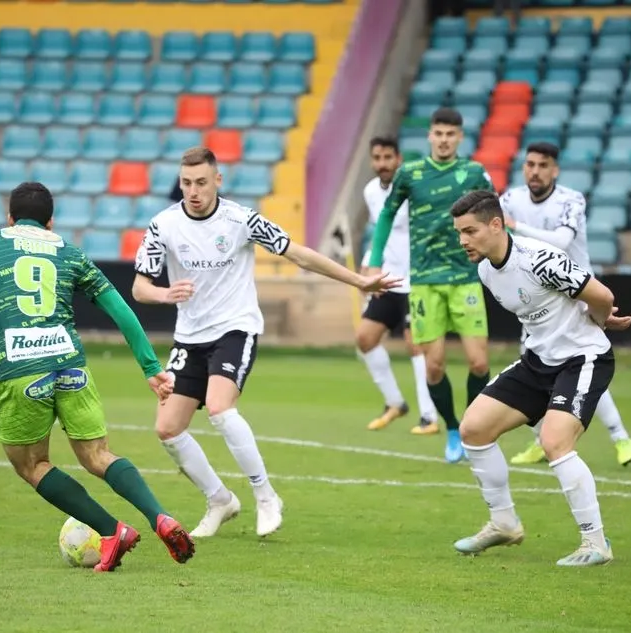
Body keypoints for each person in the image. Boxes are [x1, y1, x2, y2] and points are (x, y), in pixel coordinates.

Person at [0, 182, 194, 573]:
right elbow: (120, 308)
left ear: (10, 218)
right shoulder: (69, 251)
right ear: (50, 222)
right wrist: (150, 368)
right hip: (71, 365)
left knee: (31, 464)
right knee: (98, 456)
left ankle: (112, 530)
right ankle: (159, 515)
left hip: (21, 368)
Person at [132, 147, 401, 539]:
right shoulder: (163, 225)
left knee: (221, 410)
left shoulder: (241, 220)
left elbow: (301, 256)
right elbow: (140, 287)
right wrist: (165, 294)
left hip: (234, 328)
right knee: (167, 429)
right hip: (189, 337)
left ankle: (265, 496)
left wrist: (358, 281)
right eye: (187, 183)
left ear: (218, 180)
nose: (193, 190)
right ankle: (220, 499)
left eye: (202, 182)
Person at [449, 189, 631, 567]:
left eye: (469, 231)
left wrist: (599, 321)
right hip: (538, 361)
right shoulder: (486, 270)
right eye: (459, 233)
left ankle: (595, 543)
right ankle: (504, 523)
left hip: (583, 358)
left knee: (554, 441)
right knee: (474, 428)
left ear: (496, 224)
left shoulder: (540, 259)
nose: (463, 240)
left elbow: (601, 294)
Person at [500, 142, 631, 467]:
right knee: (534, 365)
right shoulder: (511, 199)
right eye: (530, 164)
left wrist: (515, 226)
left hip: (575, 293)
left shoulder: (570, 200)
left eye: (543, 165)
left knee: (582, 366)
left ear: (555, 170)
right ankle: (539, 441)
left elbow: (563, 241)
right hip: (536, 296)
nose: (535, 171)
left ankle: (621, 439)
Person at [366, 107, 494, 463]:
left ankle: (470, 424)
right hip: (424, 283)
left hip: (465, 279)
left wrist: (505, 259)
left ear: (460, 137)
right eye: (438, 133)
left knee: (479, 363)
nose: (443, 140)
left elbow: (496, 219)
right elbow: (387, 214)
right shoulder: (411, 173)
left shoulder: (473, 172)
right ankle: (453, 427)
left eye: (450, 134)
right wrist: (375, 260)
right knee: (434, 366)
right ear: (429, 136)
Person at [357, 136, 439, 434]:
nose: (382, 164)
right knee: (365, 338)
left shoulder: (412, 189)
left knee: (415, 344)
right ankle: (395, 402)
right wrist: (368, 268)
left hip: (416, 278)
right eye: (376, 158)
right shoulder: (370, 191)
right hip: (387, 279)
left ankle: (429, 417)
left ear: (398, 158)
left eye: (387, 158)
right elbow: (380, 232)